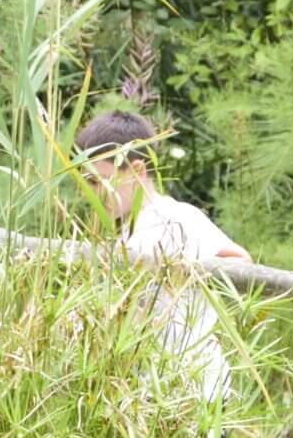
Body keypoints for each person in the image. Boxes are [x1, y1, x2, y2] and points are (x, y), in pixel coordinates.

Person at [73, 108, 250, 400]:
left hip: (192, 381)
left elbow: (241, 261)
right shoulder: (125, 231)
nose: (90, 193)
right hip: (148, 385)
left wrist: (181, 270)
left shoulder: (176, 217)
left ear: (138, 171)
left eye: (97, 181)